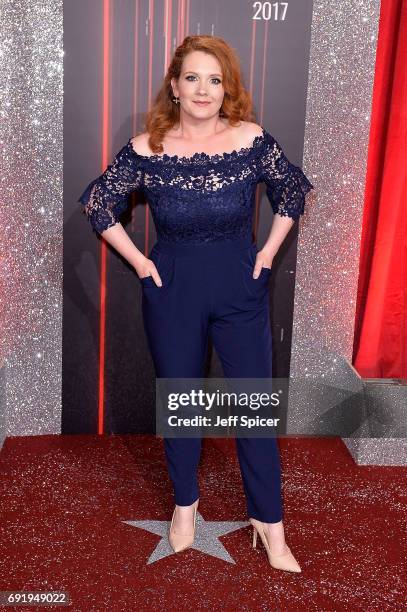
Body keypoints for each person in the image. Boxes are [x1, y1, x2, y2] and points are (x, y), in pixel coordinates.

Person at [78, 35, 313, 573]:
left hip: (239, 284)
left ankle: (269, 523)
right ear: (175, 87)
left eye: (214, 79)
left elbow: (292, 194)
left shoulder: (251, 139)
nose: (204, 89)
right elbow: (99, 204)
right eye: (193, 78)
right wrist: (140, 262)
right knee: (181, 402)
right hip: (173, 286)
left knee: (253, 408)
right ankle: (185, 506)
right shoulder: (146, 149)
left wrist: (268, 253)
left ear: (226, 88)